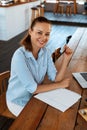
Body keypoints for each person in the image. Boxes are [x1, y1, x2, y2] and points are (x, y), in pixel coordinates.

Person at [6, 16, 73, 117]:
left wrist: (66, 60)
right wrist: (61, 85)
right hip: (18, 101)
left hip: (36, 96)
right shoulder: (19, 56)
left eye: (47, 34)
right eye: (39, 32)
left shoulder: (45, 52)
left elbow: (55, 78)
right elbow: (33, 88)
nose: (44, 38)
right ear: (30, 32)